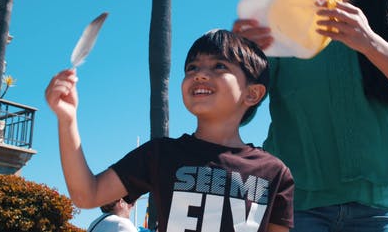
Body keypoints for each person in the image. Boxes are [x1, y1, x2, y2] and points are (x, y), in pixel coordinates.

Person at [232, 0, 388, 231]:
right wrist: (239, 61)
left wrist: (369, 42)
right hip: (297, 205)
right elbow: (239, 112)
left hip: (375, 208)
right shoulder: (282, 24)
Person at [45, 29, 295, 232]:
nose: (199, 75)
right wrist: (67, 119)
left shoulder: (274, 173)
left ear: (253, 93)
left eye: (219, 66)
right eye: (192, 68)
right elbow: (87, 194)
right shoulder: (160, 154)